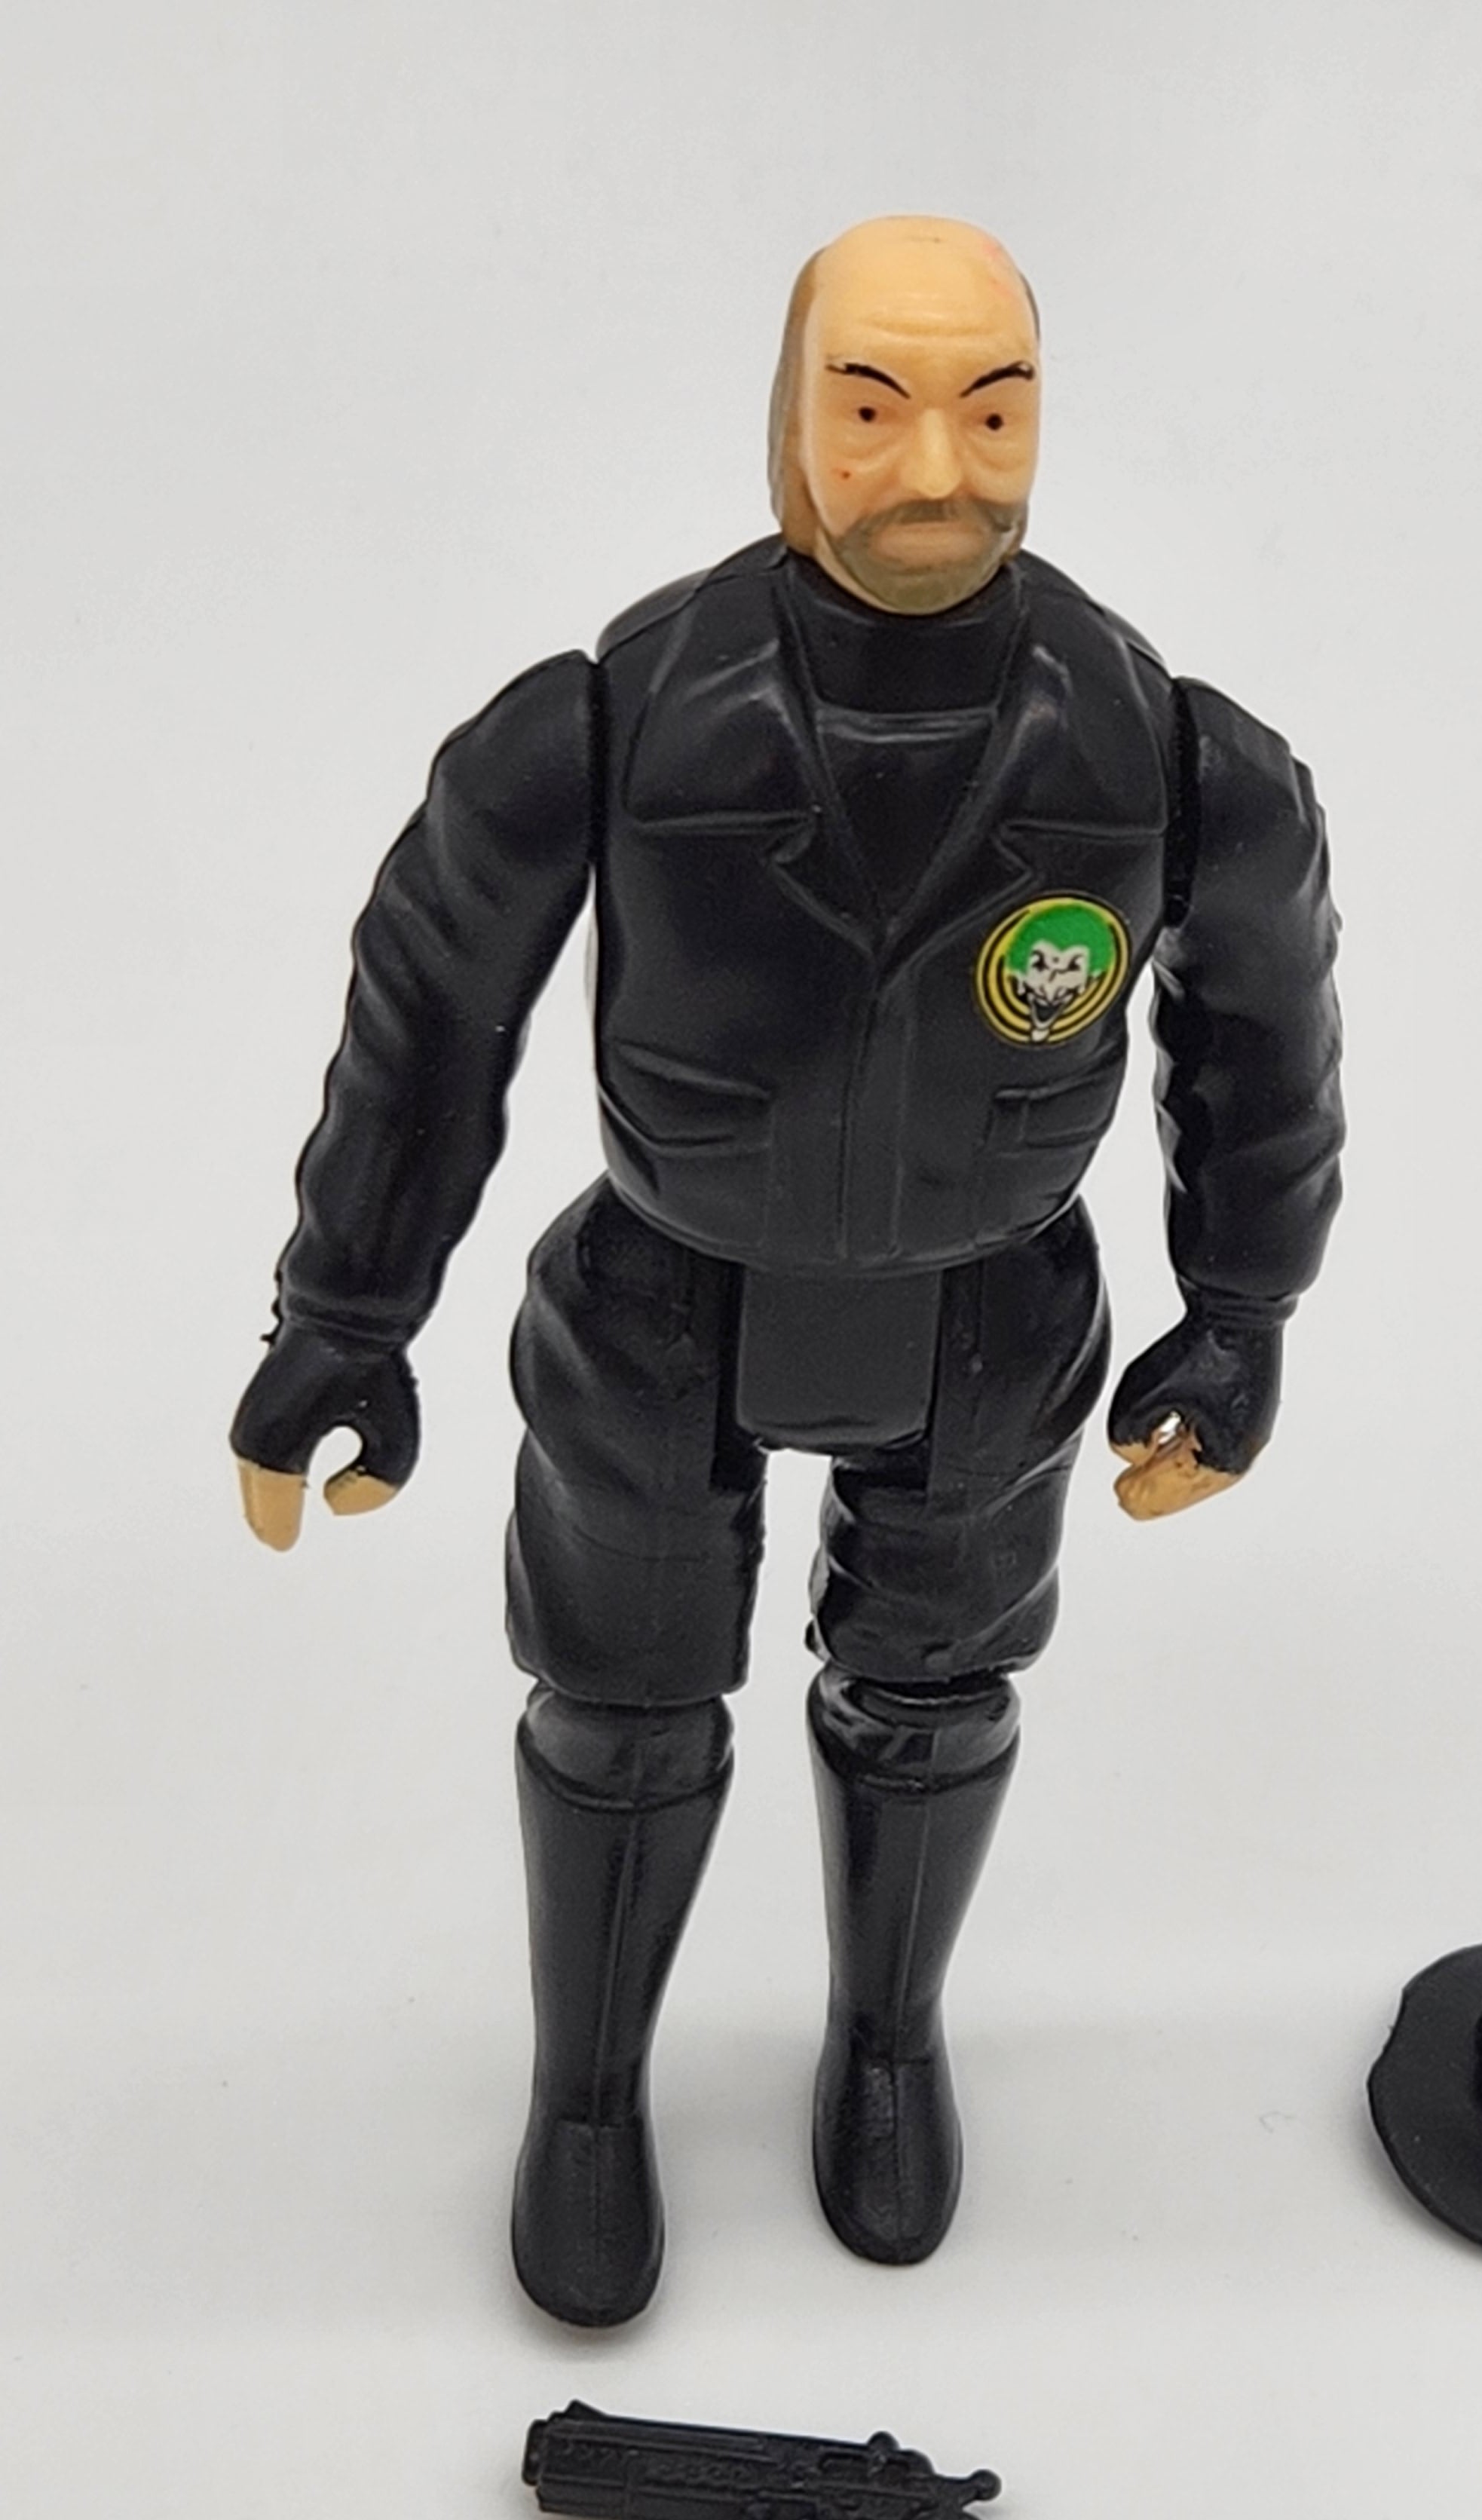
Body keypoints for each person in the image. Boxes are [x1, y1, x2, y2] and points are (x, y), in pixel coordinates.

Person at [231, 216, 1343, 2326]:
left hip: (994, 1305)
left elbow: (1264, 1043)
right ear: (787, 414)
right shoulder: (612, 721)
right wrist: (345, 1315)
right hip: (662, 1297)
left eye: (994, 412)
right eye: (872, 404)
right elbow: (431, 1012)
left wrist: (1245, 1307)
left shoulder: (1166, 752)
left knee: (934, 1698)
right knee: (622, 1712)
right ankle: (586, 2094)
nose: (935, 470)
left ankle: (889, 2041)